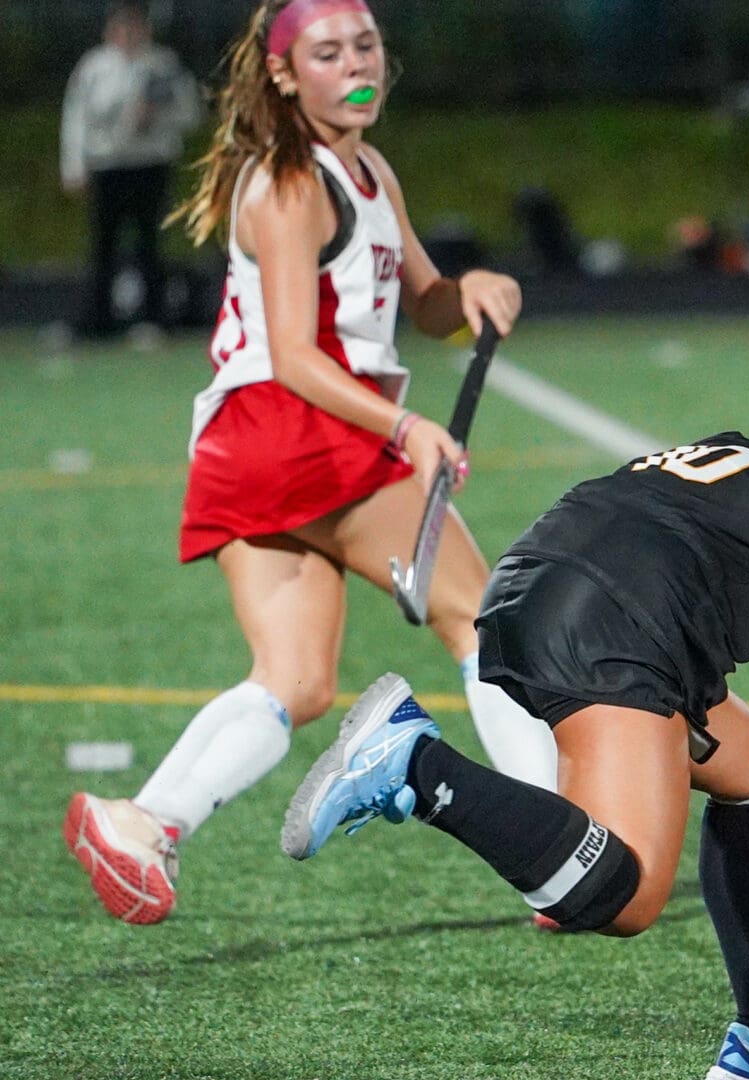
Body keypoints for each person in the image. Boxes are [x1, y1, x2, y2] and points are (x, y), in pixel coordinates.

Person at [280, 353, 749, 1080]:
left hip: (532, 584)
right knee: (628, 896)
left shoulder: (748, 457)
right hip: (616, 621)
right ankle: (416, 766)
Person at [64, 0, 555, 927]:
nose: (356, 65)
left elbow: (427, 302)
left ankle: (142, 821)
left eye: (365, 45)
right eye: (329, 53)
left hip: (245, 448)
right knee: (486, 624)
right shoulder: (292, 185)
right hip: (301, 431)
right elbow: (294, 355)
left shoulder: (367, 170)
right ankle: (551, 849)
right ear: (286, 75)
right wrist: (405, 429)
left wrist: (470, 290)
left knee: (295, 680)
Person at [60, 2, 203, 339]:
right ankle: (97, 320)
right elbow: (76, 119)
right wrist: (74, 167)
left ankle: (152, 318)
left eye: (134, 26)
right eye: (121, 26)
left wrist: (157, 115)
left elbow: (191, 115)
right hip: (108, 167)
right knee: (103, 245)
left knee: (149, 243)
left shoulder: (163, 64)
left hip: (150, 165)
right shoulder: (94, 66)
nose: (128, 33)